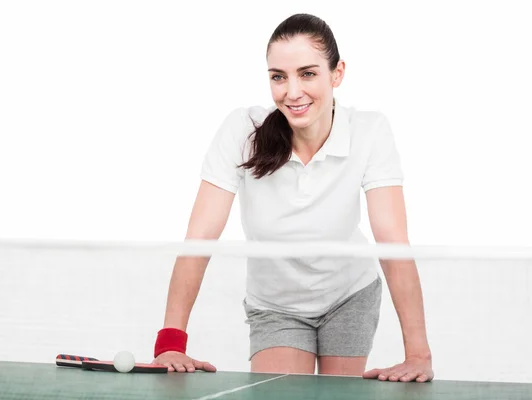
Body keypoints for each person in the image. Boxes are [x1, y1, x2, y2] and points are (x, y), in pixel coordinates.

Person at [152, 13, 434, 383]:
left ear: (338, 73)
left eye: (308, 73)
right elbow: (199, 239)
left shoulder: (370, 130)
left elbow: (393, 243)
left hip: (349, 294)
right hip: (275, 305)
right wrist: (170, 342)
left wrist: (418, 355)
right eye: (278, 77)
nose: (292, 91)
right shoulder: (242, 130)